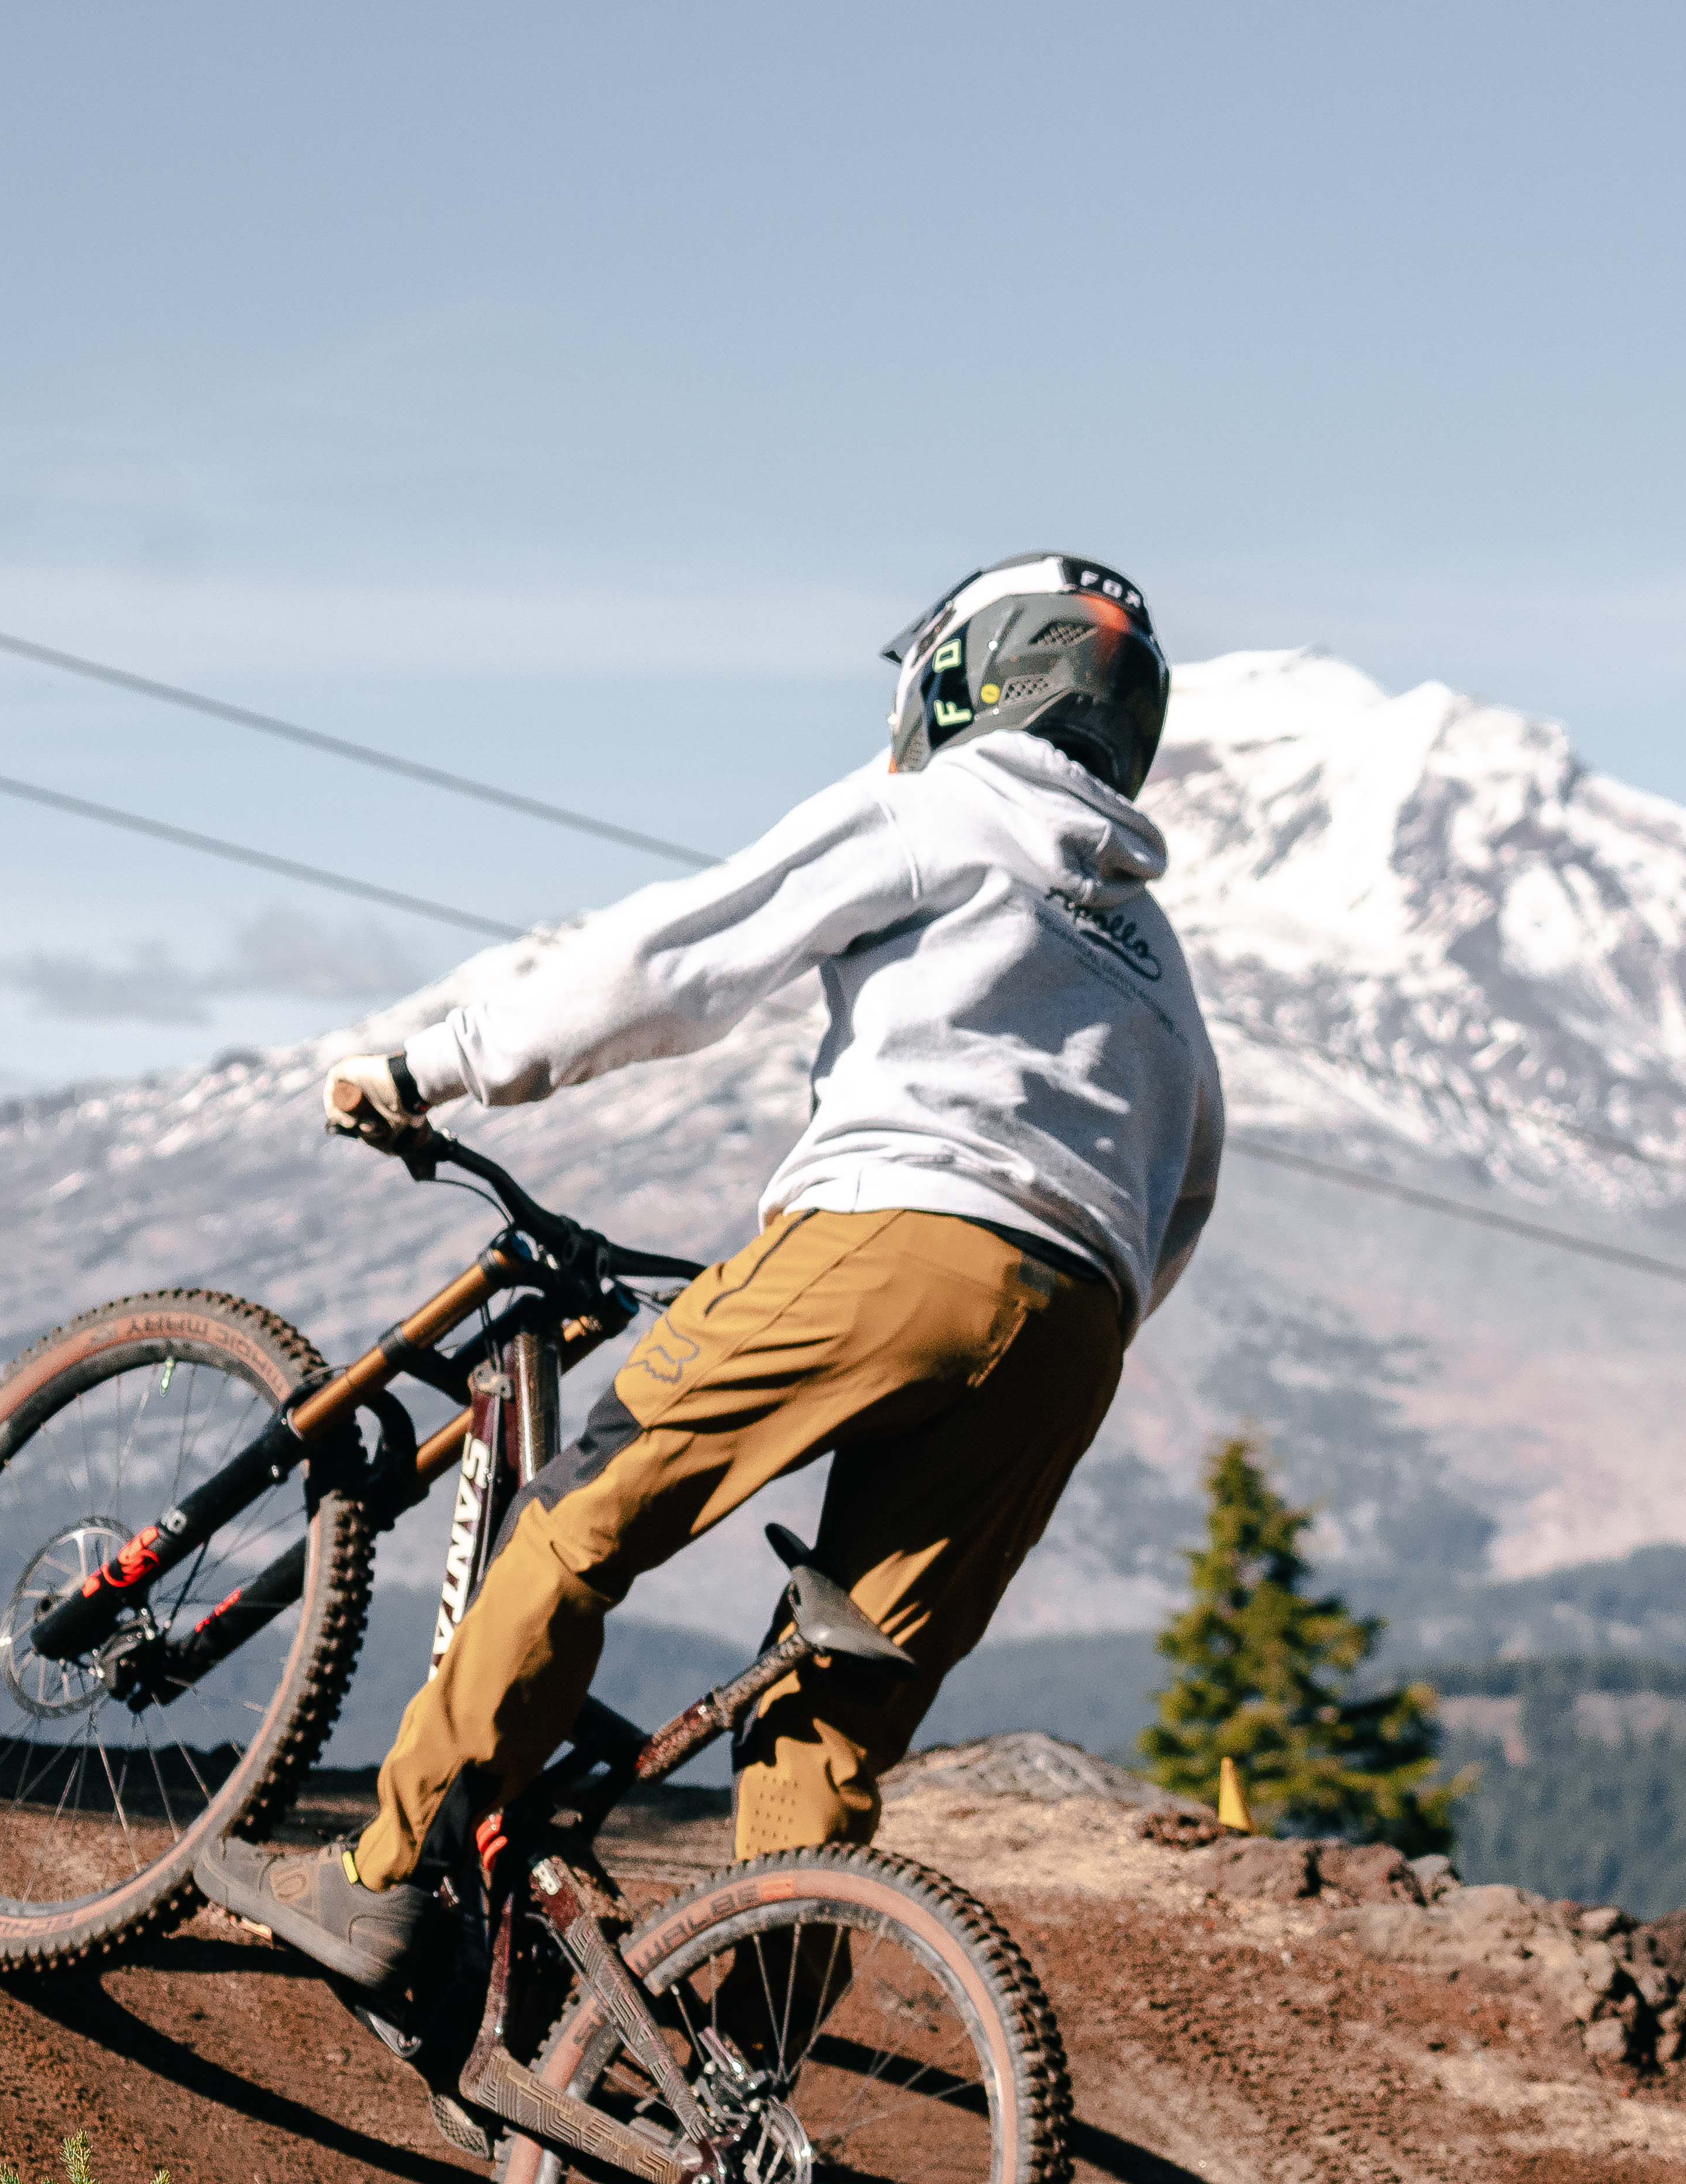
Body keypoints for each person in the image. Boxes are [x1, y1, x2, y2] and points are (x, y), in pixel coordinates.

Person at [208, 550, 1224, 2021]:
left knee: (574, 1526)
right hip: (1078, 1324)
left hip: (887, 1241)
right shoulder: (1150, 945)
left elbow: (672, 960)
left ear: (968, 672)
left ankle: (379, 1886)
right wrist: (1049, 1293)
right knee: (833, 1715)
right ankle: (746, 2126)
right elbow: (1181, 1192)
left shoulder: (937, 809)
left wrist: (437, 1067)